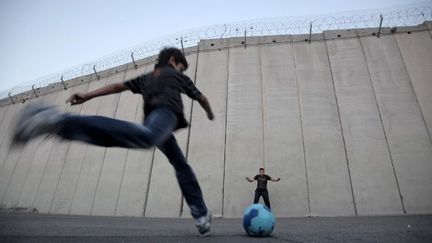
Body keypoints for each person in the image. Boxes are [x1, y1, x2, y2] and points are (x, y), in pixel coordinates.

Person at [12, 47, 215, 236]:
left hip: (158, 124)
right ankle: (58, 122)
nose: (181, 70)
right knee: (147, 138)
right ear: (173, 60)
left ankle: (201, 213)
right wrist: (210, 114)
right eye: (181, 66)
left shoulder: (148, 77)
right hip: (165, 117)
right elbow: (202, 98)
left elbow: (119, 86)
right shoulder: (176, 75)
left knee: (179, 163)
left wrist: (88, 95)